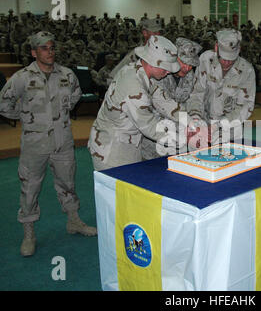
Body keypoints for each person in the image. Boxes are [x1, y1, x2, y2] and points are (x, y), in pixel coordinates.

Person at [0, 31, 97, 257]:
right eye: (44, 48)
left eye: (52, 47)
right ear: (34, 52)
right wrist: (26, 117)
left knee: (67, 183)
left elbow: (75, 96)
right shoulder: (22, 77)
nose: (50, 51)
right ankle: (29, 234)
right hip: (34, 143)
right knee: (30, 188)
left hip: (62, 141)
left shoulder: (67, 75)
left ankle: (73, 221)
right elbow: (4, 104)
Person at [87, 35, 184, 171]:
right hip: (112, 152)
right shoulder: (133, 85)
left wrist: (188, 120)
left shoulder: (139, 71)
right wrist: (187, 137)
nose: (168, 72)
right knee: (117, 191)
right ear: (151, 61)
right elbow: (150, 127)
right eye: (165, 67)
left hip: (128, 144)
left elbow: (162, 99)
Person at [187, 28, 256, 146]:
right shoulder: (205, 60)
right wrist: (196, 119)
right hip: (202, 129)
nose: (227, 63)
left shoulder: (247, 71)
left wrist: (217, 125)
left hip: (230, 131)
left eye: (231, 59)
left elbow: (245, 106)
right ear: (216, 48)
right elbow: (196, 93)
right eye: (223, 58)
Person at [141, 37, 202, 160]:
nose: (187, 68)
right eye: (183, 62)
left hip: (179, 143)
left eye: (191, 64)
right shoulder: (158, 74)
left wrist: (195, 121)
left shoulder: (189, 75)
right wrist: (186, 127)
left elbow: (193, 99)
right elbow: (158, 106)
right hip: (154, 140)